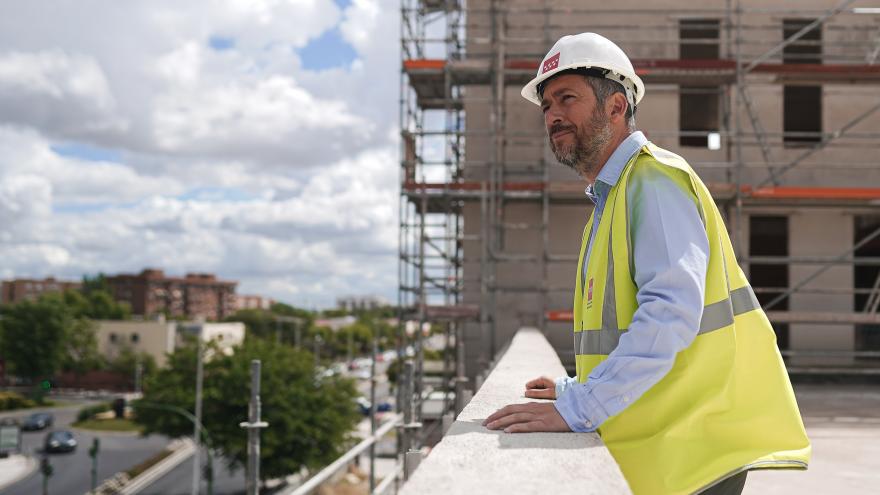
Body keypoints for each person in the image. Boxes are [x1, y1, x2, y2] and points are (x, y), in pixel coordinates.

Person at [482, 33, 811, 495]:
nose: (552, 115)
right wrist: (576, 385)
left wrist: (580, 405)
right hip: (670, 452)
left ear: (616, 107)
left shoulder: (653, 181)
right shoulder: (612, 199)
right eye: (546, 106)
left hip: (693, 455)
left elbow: (670, 313)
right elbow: (625, 326)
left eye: (566, 98)